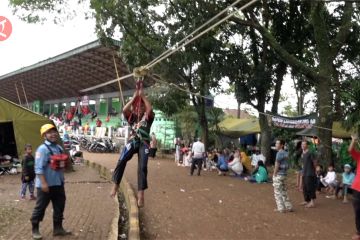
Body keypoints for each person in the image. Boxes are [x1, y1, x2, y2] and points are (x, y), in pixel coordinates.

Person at [111, 81, 155, 208]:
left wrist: (143, 96)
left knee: (142, 167)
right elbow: (125, 109)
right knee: (122, 159)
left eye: (142, 107)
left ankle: (141, 196)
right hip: (134, 141)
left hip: (144, 143)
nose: (140, 108)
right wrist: (135, 97)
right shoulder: (132, 118)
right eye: (138, 106)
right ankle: (116, 185)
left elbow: (149, 109)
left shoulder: (148, 117)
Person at [30, 124, 71, 239]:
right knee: (40, 208)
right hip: (45, 186)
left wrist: (62, 177)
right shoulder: (42, 149)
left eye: (54, 131)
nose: (53, 134)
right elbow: (38, 168)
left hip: (58, 184)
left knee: (59, 206)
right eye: (49, 132)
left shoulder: (59, 148)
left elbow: (61, 165)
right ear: (44, 136)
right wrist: (43, 183)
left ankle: (58, 229)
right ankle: (35, 229)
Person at [272, 139, 293, 213]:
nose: (276, 145)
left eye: (277, 144)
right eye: (276, 143)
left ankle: (280, 208)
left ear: (282, 145)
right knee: (284, 191)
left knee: (277, 192)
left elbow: (277, 165)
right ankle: (289, 206)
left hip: (279, 174)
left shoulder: (279, 153)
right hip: (284, 174)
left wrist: (274, 174)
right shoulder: (286, 153)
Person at [349, 134, 360, 240]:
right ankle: (359, 232)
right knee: (357, 210)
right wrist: (353, 140)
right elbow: (350, 150)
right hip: (357, 188)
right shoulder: (359, 156)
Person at [300, 140, 317, 208]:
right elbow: (303, 163)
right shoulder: (302, 153)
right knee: (304, 187)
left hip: (310, 173)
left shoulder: (310, 153)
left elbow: (314, 161)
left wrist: (315, 170)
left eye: (304, 144)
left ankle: (312, 202)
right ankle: (306, 200)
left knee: (310, 187)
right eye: (302, 144)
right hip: (304, 172)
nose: (303, 145)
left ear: (307, 145)